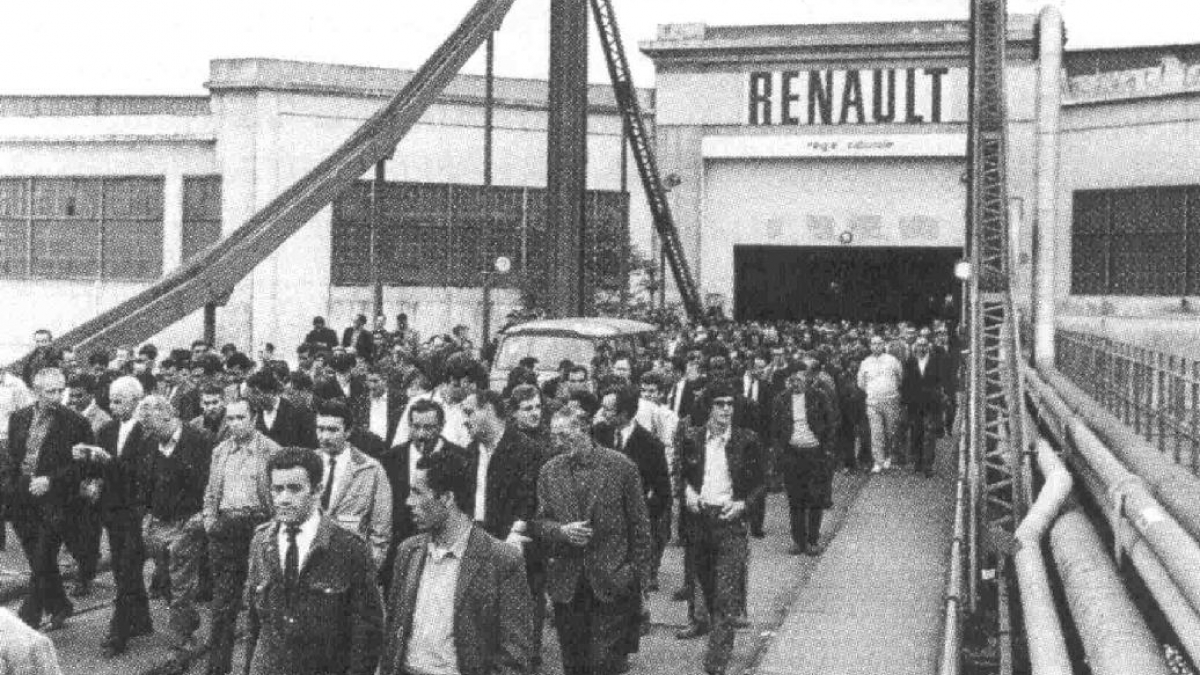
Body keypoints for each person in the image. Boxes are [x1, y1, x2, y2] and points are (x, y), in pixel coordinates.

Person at [378, 448, 533, 675]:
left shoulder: (502, 560)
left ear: (447, 498)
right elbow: (393, 635)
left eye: (417, 493)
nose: (408, 501)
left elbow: (515, 656)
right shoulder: (407, 552)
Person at [533, 406, 652, 675]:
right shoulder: (549, 472)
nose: (558, 443)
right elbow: (539, 523)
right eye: (554, 436)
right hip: (567, 586)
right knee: (574, 664)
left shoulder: (621, 467)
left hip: (612, 583)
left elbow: (640, 527)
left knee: (606, 664)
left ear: (584, 430)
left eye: (565, 436)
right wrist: (561, 531)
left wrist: (637, 578)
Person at [243, 447, 383, 675]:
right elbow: (253, 625)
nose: (283, 499)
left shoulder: (348, 548)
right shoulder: (261, 542)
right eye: (277, 489)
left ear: (318, 490)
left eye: (294, 489)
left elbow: (367, 634)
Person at [675, 382, 766, 675]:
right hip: (700, 521)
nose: (726, 409)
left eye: (730, 404)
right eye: (719, 404)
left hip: (730, 522)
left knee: (725, 595)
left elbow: (761, 483)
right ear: (708, 407)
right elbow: (680, 474)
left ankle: (716, 662)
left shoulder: (747, 440)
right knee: (711, 589)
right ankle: (721, 633)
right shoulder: (692, 438)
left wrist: (742, 505)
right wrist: (687, 493)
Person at [3, 368, 92, 631]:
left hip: (56, 503)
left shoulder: (76, 422)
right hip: (22, 499)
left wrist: (51, 481)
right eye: (50, 391)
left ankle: (26, 622)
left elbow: (84, 466)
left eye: (60, 390)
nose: (57, 396)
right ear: (35, 392)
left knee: (42, 559)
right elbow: (12, 458)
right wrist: (10, 488)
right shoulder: (19, 418)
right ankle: (60, 605)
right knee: (39, 560)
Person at [203, 398, 282, 675]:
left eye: (241, 418)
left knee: (258, 601)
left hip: (258, 526)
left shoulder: (271, 451)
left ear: (254, 419)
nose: (235, 424)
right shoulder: (220, 451)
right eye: (231, 419)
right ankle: (217, 667)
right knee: (223, 603)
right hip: (226, 528)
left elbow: (277, 494)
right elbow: (211, 490)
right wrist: (210, 521)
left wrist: (273, 529)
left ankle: (253, 667)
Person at [138, 395, 214, 664]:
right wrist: (146, 515)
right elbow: (144, 481)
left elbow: (212, 482)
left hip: (188, 521)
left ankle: (181, 639)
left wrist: (202, 516)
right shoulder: (150, 442)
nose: (147, 430)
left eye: (150, 424)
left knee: (181, 581)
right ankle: (188, 621)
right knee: (166, 579)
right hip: (158, 521)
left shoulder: (200, 440)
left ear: (168, 416)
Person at [82, 376, 154, 656]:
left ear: (136, 401)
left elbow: (141, 474)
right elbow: (99, 470)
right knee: (122, 568)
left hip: (135, 510)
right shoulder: (108, 429)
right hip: (112, 510)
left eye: (119, 401)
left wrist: (109, 463)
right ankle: (143, 619)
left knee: (127, 569)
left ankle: (118, 632)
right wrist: (89, 462)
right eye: (111, 401)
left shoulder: (146, 431)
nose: (113, 407)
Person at [376, 399, 469, 590]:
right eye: (416, 427)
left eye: (429, 428)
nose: (421, 434)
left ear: (442, 426)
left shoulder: (462, 458)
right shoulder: (390, 459)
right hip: (400, 551)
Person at [595, 385, 671, 591]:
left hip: (630, 533)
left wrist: (641, 516)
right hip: (599, 528)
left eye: (608, 409)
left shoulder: (651, 445)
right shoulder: (598, 434)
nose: (602, 413)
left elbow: (663, 493)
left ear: (625, 413)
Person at [314, 400, 392, 566]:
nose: (325, 437)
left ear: (348, 431)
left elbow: (381, 531)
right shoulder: (306, 466)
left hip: (351, 564)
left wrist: (369, 570)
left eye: (333, 430)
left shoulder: (371, 470)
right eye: (320, 429)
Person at [770, 363, 836, 556]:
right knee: (795, 498)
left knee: (815, 497)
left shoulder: (819, 397)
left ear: (807, 379)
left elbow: (831, 423)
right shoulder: (781, 400)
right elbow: (775, 429)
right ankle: (798, 540)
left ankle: (813, 540)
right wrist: (780, 452)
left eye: (798, 379)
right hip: (792, 453)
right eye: (792, 380)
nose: (795, 383)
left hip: (815, 452)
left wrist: (827, 449)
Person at [901, 336, 948, 477]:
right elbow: (906, 382)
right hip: (915, 404)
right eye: (919, 345)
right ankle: (918, 462)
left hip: (931, 404)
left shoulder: (935, 361)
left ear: (928, 347)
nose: (921, 348)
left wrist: (940, 396)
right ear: (915, 347)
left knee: (929, 434)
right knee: (916, 433)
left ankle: (928, 465)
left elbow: (941, 380)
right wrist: (905, 402)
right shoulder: (910, 362)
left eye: (924, 345)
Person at [856, 335, 903, 472]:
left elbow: (900, 377)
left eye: (879, 343)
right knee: (876, 433)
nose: (876, 346)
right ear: (870, 346)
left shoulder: (892, 360)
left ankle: (890, 457)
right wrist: (873, 391)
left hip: (891, 400)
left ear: (883, 345)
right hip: (873, 402)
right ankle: (878, 461)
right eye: (874, 344)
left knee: (891, 431)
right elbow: (861, 383)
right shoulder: (865, 362)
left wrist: (890, 389)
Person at [246, 370, 317, 449]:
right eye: (251, 393)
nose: (253, 397)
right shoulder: (255, 417)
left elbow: (310, 446)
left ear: (271, 391)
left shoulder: (298, 412)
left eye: (256, 393)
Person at [363, 370, 404, 448]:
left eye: (375, 381)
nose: (372, 385)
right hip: (368, 447)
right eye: (369, 381)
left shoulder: (398, 399)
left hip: (390, 447)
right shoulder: (363, 400)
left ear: (385, 380)